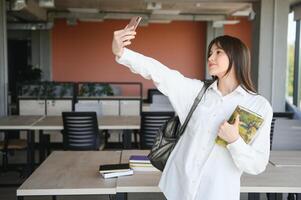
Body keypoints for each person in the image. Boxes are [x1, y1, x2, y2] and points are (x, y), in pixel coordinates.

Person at [112, 26, 273, 200]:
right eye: (210, 53)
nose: (210, 58)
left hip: (217, 194)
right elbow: (160, 72)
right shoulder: (196, 92)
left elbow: (257, 165)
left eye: (218, 52)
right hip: (179, 190)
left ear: (237, 57)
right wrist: (122, 53)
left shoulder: (258, 106)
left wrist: (234, 141)